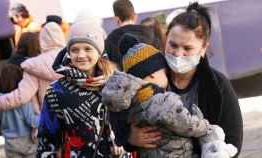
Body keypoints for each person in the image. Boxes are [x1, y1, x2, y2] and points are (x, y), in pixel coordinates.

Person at [129, 2, 243, 158]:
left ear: (203, 48)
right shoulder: (150, 75)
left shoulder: (218, 86)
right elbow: (123, 111)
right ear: (165, 40)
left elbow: (233, 140)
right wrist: (129, 137)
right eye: (173, 45)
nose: (178, 54)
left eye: (187, 48)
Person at [103, 34, 238, 158]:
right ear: (152, 74)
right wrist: (205, 127)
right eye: (164, 71)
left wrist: (126, 136)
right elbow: (185, 123)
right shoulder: (162, 100)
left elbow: (118, 121)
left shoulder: (130, 99)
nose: (168, 75)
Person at [37, 13, 123, 158]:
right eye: (75, 50)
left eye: (87, 49)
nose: (81, 55)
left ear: (99, 51)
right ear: (68, 52)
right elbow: (47, 139)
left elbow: (132, 122)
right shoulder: (56, 91)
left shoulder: (118, 83)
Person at [0, 22, 65, 114]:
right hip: (75, 118)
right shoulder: (74, 59)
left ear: (42, 40)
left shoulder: (34, 65)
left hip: (51, 120)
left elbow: (21, 96)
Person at [0, 64, 39, 158]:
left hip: (9, 142)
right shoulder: (24, 101)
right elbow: (32, 121)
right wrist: (43, 116)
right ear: (20, 80)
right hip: (27, 140)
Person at [105, 0, 157, 69]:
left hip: (125, 78)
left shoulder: (110, 39)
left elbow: (114, 67)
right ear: (135, 16)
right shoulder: (149, 32)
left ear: (117, 19)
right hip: (151, 76)